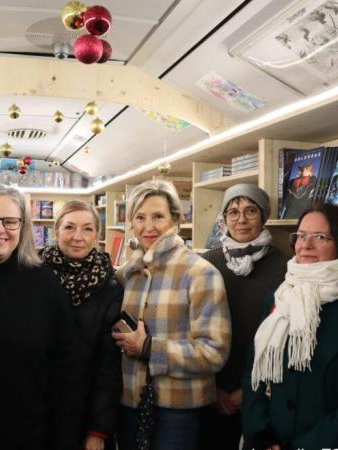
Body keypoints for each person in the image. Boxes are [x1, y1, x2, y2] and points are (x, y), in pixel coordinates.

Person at [242, 203, 338, 450]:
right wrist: (261, 434)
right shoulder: (279, 298)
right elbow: (254, 373)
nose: (306, 245)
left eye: (320, 237)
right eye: (301, 236)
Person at [0, 183, 83, 450]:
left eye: (10, 221)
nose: (0, 229)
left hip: (32, 435)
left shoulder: (45, 283)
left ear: (22, 228)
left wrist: (64, 437)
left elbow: (67, 368)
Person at [112, 179, 231, 450]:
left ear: (176, 218)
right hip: (128, 402)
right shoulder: (128, 273)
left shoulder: (201, 274)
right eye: (140, 217)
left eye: (158, 216)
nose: (148, 226)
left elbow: (215, 352)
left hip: (177, 410)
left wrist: (150, 348)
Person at [199, 184, 288, 450]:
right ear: (224, 219)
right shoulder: (206, 264)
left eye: (250, 211)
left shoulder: (284, 266)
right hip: (210, 389)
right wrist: (211, 388)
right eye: (233, 211)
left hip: (262, 391)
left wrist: (248, 391)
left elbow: (285, 336)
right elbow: (194, 327)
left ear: (263, 216)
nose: (241, 219)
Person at [41, 200, 124, 450]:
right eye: (69, 227)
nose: (78, 237)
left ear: (97, 235)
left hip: (85, 414)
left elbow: (109, 365)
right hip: (37, 409)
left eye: (87, 229)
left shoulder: (110, 287)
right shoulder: (33, 277)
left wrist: (98, 430)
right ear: (56, 232)